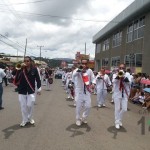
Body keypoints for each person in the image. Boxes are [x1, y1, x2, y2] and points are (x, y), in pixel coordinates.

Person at [15, 56, 41, 127]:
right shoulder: (21, 69)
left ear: (30, 62)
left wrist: (39, 88)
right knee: (23, 106)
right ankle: (24, 120)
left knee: (30, 105)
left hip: (31, 90)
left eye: (27, 61)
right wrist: (19, 68)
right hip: (22, 90)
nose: (26, 62)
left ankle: (30, 118)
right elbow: (15, 75)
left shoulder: (34, 69)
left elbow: (38, 79)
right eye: (25, 61)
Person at [72, 61, 95, 126]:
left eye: (85, 64)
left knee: (88, 106)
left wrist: (93, 84)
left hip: (87, 91)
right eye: (83, 63)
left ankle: (84, 117)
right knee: (78, 107)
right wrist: (79, 70)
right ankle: (78, 119)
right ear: (81, 64)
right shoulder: (78, 70)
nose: (84, 65)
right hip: (80, 91)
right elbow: (74, 75)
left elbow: (93, 78)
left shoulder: (89, 71)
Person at [112, 64, 131, 129]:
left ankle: (119, 119)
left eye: (123, 68)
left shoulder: (128, 74)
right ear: (118, 68)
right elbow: (114, 81)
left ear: (125, 68)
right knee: (117, 109)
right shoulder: (115, 74)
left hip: (124, 94)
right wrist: (118, 76)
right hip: (117, 94)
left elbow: (130, 83)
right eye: (120, 67)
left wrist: (125, 79)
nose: (121, 69)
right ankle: (117, 122)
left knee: (124, 109)